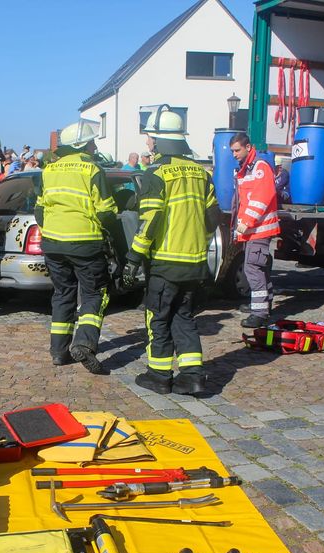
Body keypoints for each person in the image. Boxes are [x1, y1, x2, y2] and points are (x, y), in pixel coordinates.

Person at [123, 106, 215, 396]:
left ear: (159, 140)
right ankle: (193, 377)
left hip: (165, 261)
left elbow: (150, 220)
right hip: (195, 262)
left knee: (157, 318)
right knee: (184, 317)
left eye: (150, 138)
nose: (148, 143)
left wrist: (134, 257)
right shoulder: (201, 173)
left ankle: (159, 375)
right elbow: (213, 218)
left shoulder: (157, 173)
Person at [35, 119, 117, 374]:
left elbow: (39, 210)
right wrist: (113, 236)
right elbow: (106, 212)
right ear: (82, 145)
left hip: (54, 244)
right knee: (94, 294)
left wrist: (51, 233)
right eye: (92, 141)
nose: (94, 146)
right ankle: (84, 343)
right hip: (85, 244)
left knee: (62, 294)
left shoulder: (49, 170)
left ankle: (59, 352)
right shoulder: (92, 169)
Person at [230, 133, 280, 327]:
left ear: (248, 147)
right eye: (232, 150)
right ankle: (261, 304)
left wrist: (247, 222)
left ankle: (260, 312)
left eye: (237, 150)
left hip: (259, 229)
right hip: (252, 230)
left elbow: (262, 197)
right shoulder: (246, 169)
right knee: (259, 267)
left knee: (253, 267)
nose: (234, 154)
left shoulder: (259, 167)